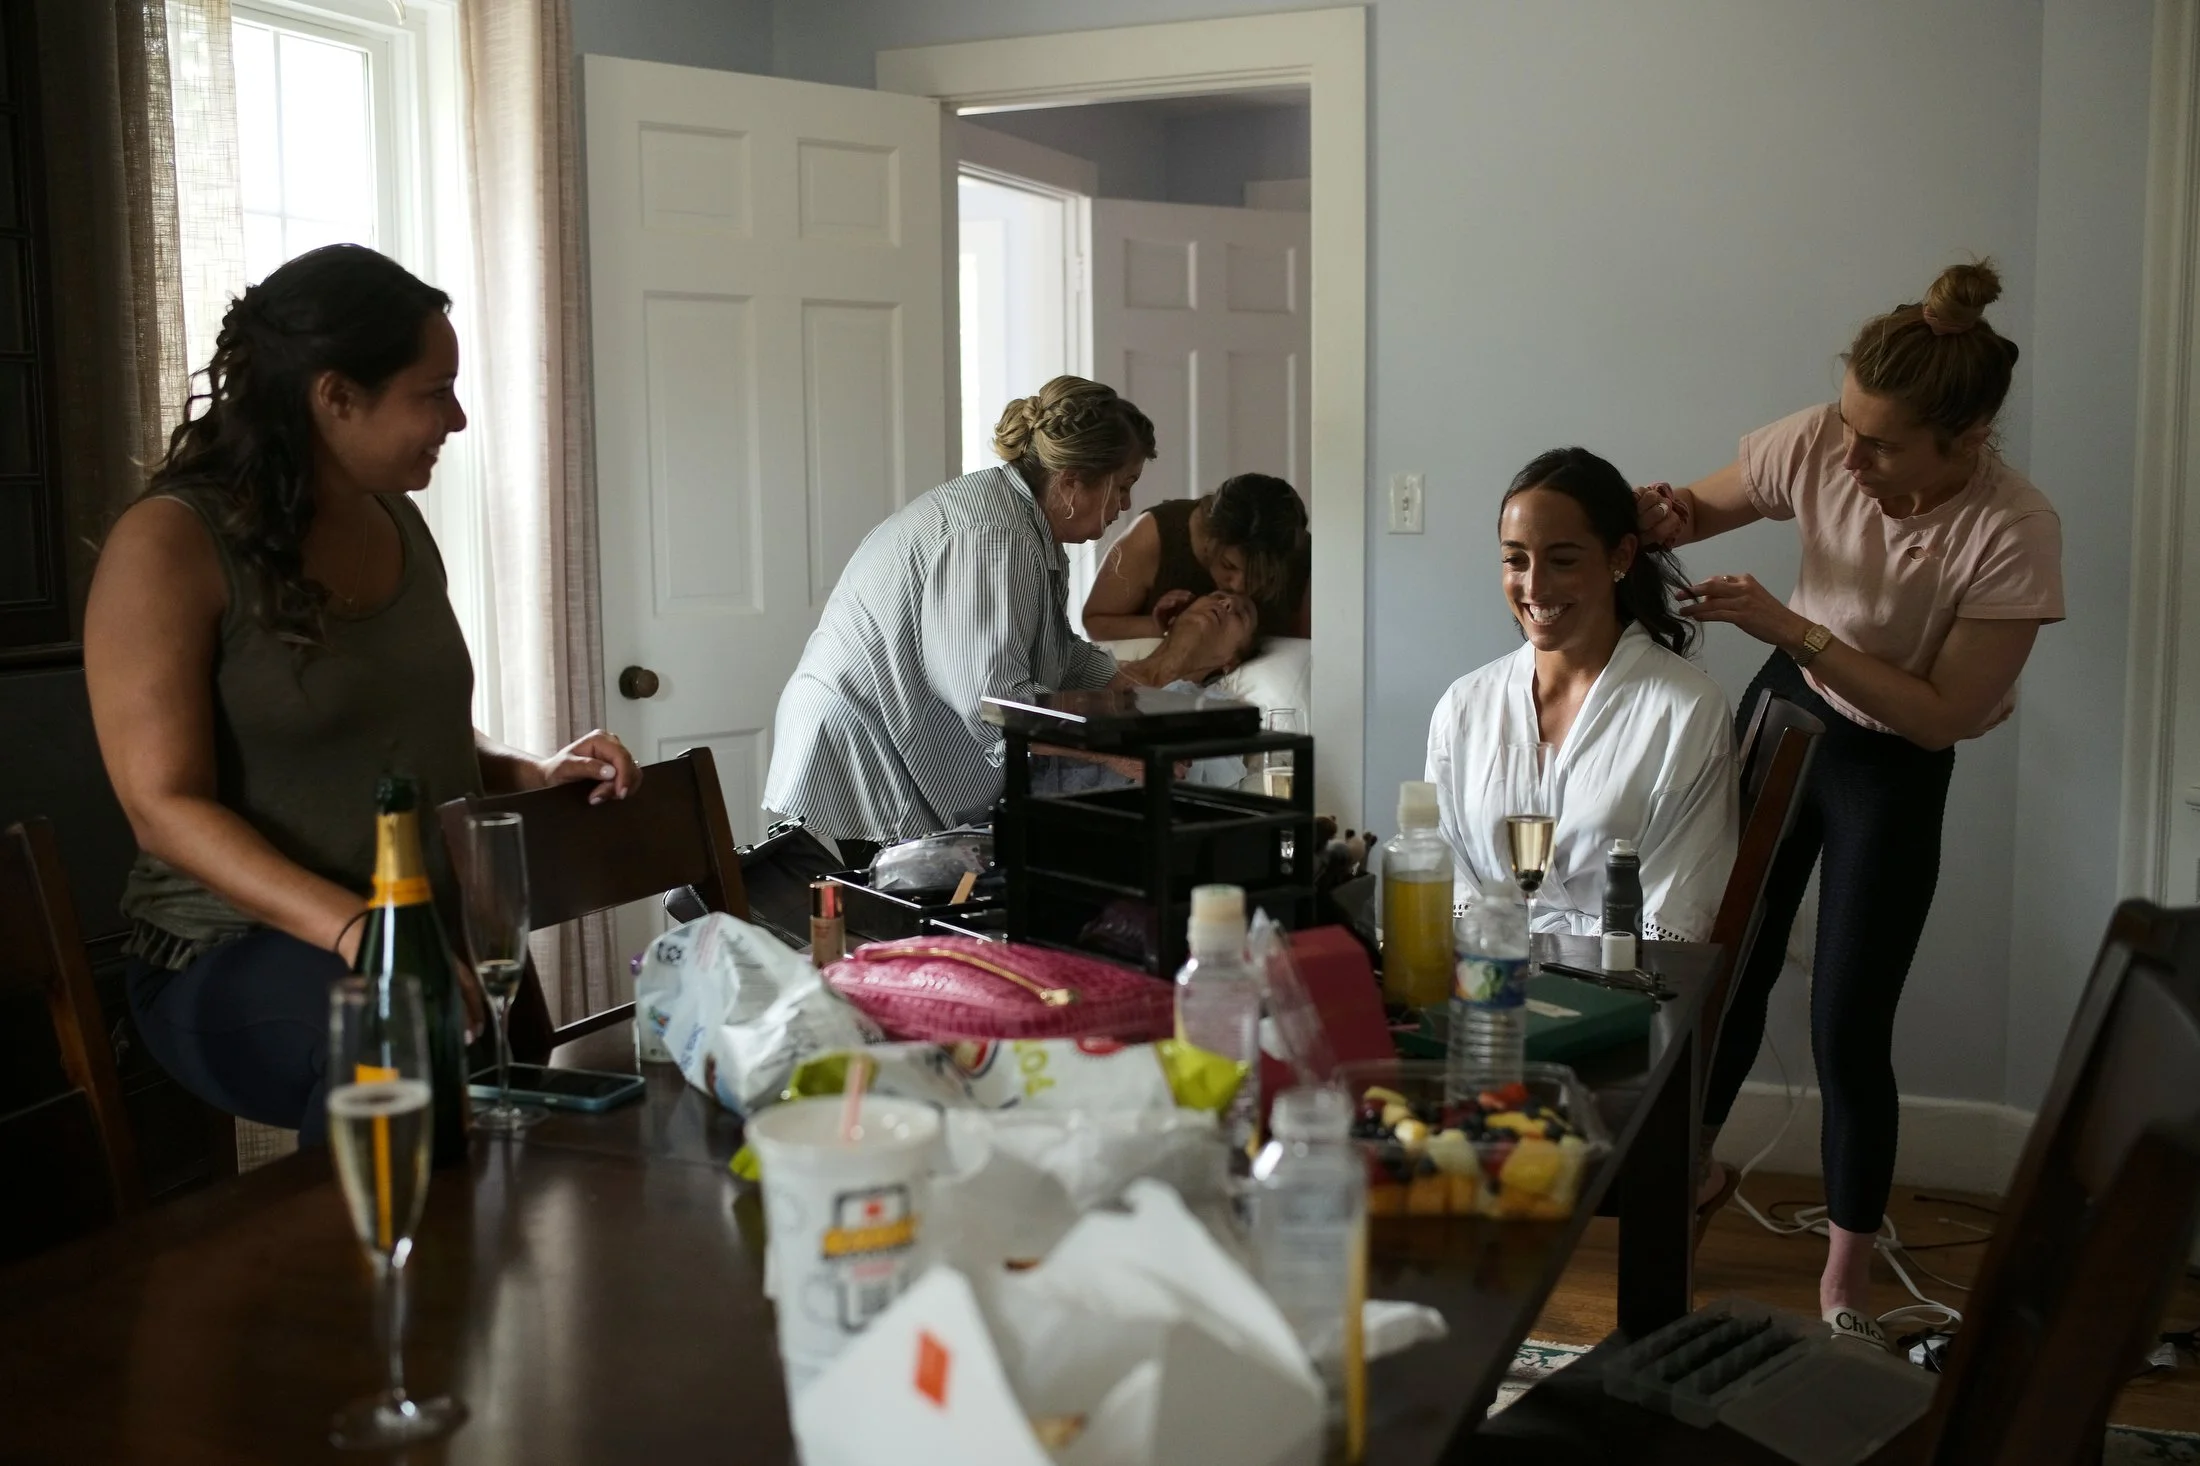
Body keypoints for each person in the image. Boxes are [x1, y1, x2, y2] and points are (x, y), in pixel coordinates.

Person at [84, 245, 643, 1147]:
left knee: (531, 1137)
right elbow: (163, 809)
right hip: (228, 955)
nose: (457, 417)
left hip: (411, 941)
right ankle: (368, 1284)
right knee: (401, 1038)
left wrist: (535, 768)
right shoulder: (168, 546)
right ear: (335, 395)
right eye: (435, 391)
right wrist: (361, 934)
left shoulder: (398, 520)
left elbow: (409, 738)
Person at [1640, 261, 2061, 1343]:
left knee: (1847, 1021)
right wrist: (1663, 513)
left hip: (1893, 756)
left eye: (1879, 444)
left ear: (1962, 440)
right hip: (1787, 717)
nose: (1849, 455)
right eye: (1847, 426)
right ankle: (1677, 1192)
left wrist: (1795, 628)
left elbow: (1938, 715)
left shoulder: (2012, 528)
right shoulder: (1826, 436)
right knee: (1718, 977)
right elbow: (1699, 506)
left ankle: (1844, 1278)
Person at [763, 376, 1248, 855]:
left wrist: (1132, 697)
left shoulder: (1020, 520)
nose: (1125, 505)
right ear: (1073, 481)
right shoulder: (994, 536)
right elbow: (994, 704)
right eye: (1123, 486)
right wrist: (1115, 752)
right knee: (888, 930)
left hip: (874, 748)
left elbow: (1055, 652)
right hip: (860, 761)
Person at [1426, 447, 1737, 941]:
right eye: (1514, 559)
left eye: (1562, 560)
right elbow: (1443, 872)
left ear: (1621, 555)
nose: (1533, 585)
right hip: (1486, 981)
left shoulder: (1685, 710)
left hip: (1619, 992)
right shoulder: (1464, 707)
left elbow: (1676, 907)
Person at [1082, 472, 1312, 640]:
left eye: (1262, 576)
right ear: (1209, 539)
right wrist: (1174, 625)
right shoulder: (1155, 535)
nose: (1240, 585)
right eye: (1228, 565)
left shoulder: (1304, 554)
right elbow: (1096, 622)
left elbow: (1308, 645)